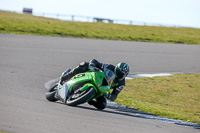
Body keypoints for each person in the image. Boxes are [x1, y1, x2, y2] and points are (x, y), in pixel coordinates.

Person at [60, 59, 129, 110]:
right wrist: (92, 65)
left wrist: (109, 95)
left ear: (125, 75)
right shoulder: (110, 67)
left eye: (121, 74)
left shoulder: (121, 84)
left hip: (101, 89)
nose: (119, 75)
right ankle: (66, 76)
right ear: (116, 69)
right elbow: (95, 62)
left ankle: (88, 98)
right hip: (96, 78)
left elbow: (114, 96)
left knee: (102, 105)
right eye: (118, 72)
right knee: (84, 64)